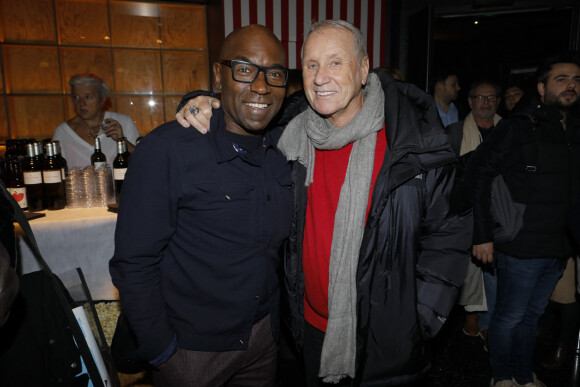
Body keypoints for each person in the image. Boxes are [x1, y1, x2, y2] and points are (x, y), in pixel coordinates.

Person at [177, 20, 472, 386]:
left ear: (363, 69)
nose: (320, 77)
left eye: (336, 62)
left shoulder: (414, 141)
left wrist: (418, 318)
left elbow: (449, 234)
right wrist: (204, 103)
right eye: (312, 64)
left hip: (388, 337)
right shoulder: (287, 133)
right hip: (308, 329)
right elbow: (240, 116)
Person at [109, 25, 293, 386]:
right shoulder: (168, 150)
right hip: (192, 353)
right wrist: (164, 354)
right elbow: (133, 262)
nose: (261, 86)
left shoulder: (284, 149)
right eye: (244, 69)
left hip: (263, 343)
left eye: (274, 74)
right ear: (217, 76)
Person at [467, 54, 580, 387]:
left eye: (576, 79)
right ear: (542, 87)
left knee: (532, 318)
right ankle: (502, 377)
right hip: (521, 245)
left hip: (559, 247)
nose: (571, 85)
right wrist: (483, 234)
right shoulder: (521, 126)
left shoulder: (573, 130)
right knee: (510, 317)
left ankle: (521, 374)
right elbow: (477, 172)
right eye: (562, 79)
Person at [448, 81, 502, 351]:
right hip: (466, 211)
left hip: (501, 213)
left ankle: (488, 324)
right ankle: (472, 319)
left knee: (493, 270)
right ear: (470, 102)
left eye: (492, 98)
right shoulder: (455, 133)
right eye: (480, 97)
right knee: (470, 270)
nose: (486, 102)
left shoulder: (508, 131)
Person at [52, 74, 139, 168]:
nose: (81, 103)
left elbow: (144, 160)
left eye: (88, 97)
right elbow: (56, 171)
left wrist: (122, 141)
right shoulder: (62, 132)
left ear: (102, 99)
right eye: (76, 97)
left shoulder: (123, 122)